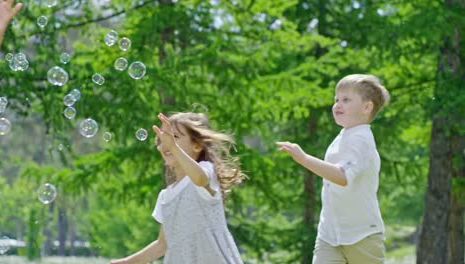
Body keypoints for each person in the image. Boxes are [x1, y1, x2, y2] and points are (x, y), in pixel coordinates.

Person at [277, 74, 390, 264]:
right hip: (329, 234)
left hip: (361, 235)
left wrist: (304, 158)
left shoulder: (361, 139)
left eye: (346, 100)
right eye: (336, 99)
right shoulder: (344, 135)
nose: (337, 104)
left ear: (367, 107)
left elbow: (342, 176)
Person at [110, 112, 246, 264]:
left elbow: (200, 179)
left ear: (197, 145)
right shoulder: (166, 196)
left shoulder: (206, 171)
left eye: (174, 137)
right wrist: (125, 262)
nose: (166, 144)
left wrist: (173, 147)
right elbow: (162, 245)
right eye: (161, 140)